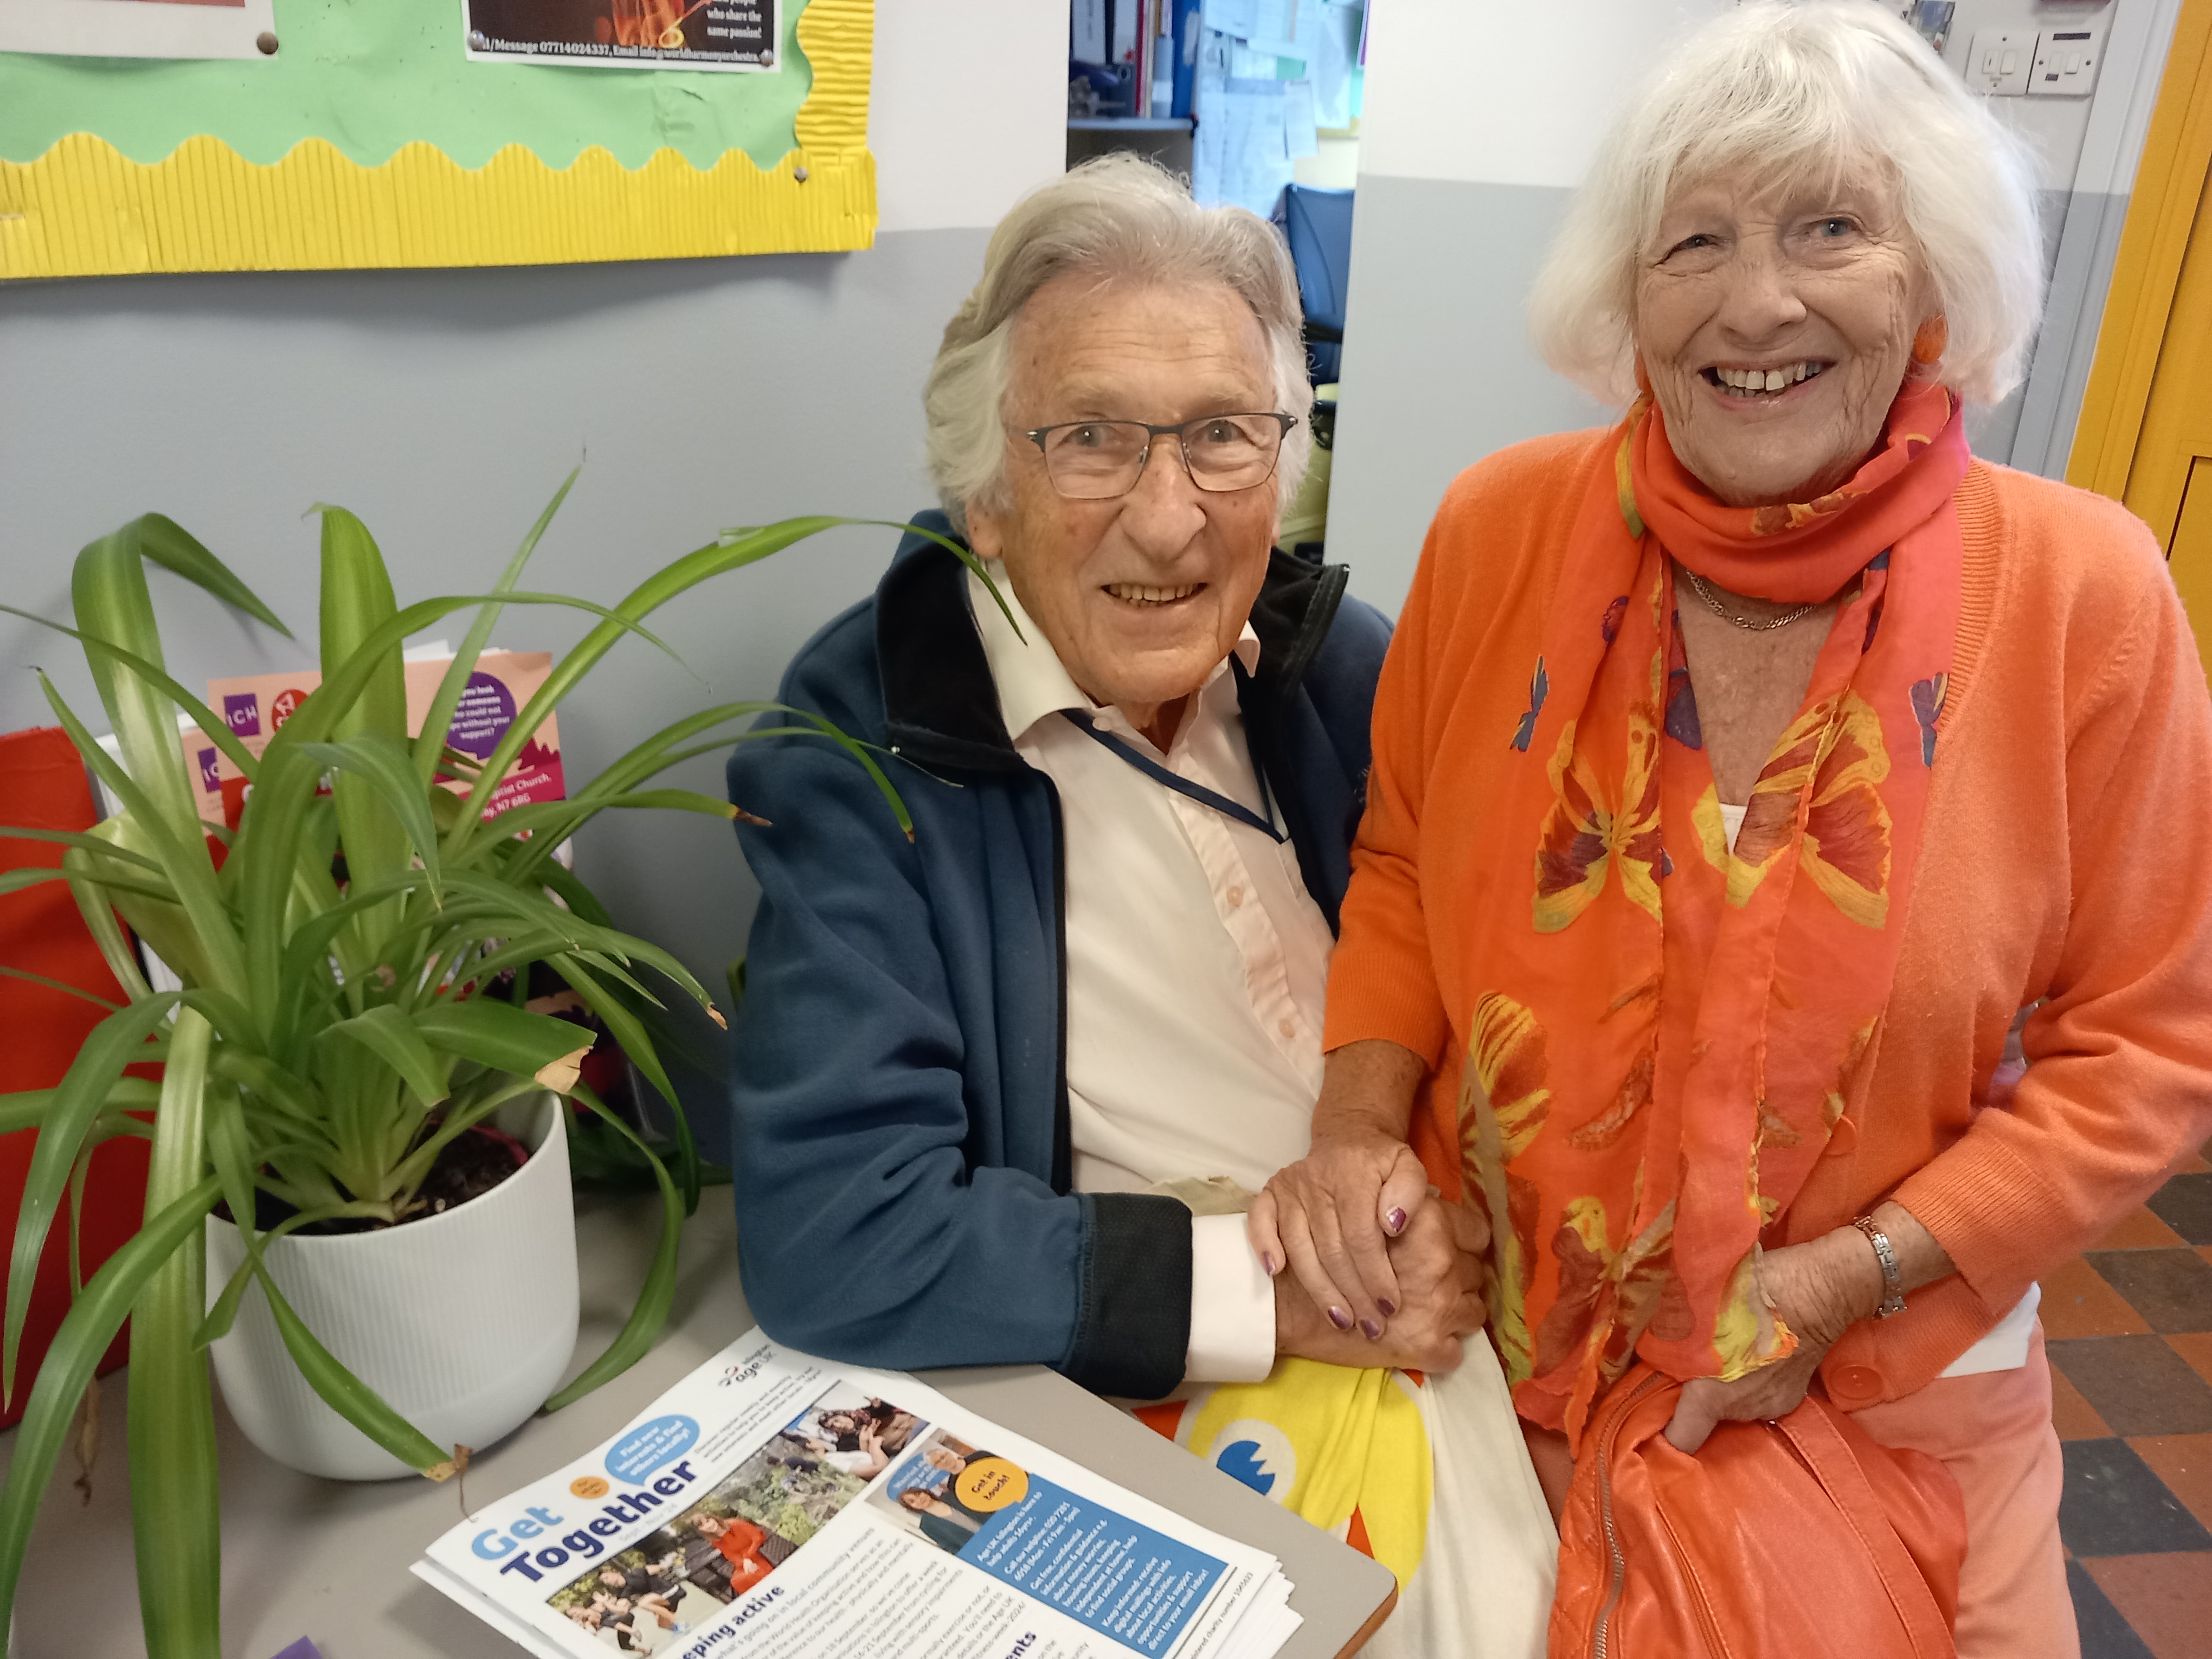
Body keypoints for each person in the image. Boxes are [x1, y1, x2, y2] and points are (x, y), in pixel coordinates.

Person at [1250, 7, 2212, 1657]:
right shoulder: (1495, 529)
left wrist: (1855, 1277)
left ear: (1934, 279)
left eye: (1830, 226)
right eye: (1693, 239)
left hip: (1885, 1365)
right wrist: (1354, 1123)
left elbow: (2148, 1051)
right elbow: (1404, 864)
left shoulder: (2083, 592)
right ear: (1629, 296)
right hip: (1483, 1315)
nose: (1756, 300)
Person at [726, 152, 1553, 1655]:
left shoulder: (1342, 665)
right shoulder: (863, 738)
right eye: (1092, 439)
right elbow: (839, 1230)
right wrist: (1280, 1291)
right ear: (985, 489)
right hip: (1190, 1365)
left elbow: (1486, 960)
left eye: (1225, 437)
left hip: (1463, 1283)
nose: (1170, 521)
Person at [689, 1512, 775, 1597]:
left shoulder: (735, 1523)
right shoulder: (715, 1541)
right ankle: (758, 1598)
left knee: (753, 1574)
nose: (708, 1526)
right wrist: (743, 1562)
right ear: (701, 1530)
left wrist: (748, 1557)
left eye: (708, 1521)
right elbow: (730, 1556)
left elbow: (757, 1537)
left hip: (759, 1553)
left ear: (713, 1518)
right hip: (743, 1562)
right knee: (736, 1581)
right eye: (703, 1526)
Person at [897, 1486, 983, 1556]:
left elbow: (982, 1509)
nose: (919, 1500)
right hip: (981, 1549)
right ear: (912, 1508)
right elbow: (951, 1547)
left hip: (994, 1528)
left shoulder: (952, 1496)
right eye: (912, 1501)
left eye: (918, 1494)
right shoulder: (927, 1526)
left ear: (924, 1492)